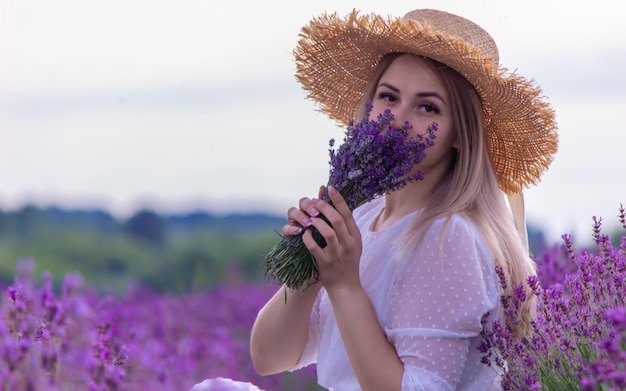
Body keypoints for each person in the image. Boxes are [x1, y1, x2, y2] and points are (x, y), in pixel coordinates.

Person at [250, 8, 558, 391]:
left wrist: (345, 285)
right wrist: (312, 265)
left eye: (427, 106)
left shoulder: (449, 238)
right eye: (388, 97)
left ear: (459, 134)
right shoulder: (364, 219)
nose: (397, 118)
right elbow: (270, 357)